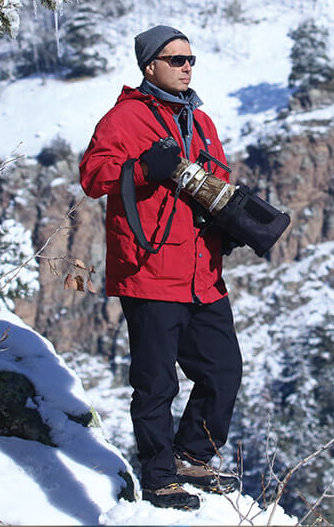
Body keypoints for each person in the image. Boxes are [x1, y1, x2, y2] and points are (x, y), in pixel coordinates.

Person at [78, 25, 243, 511]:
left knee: (223, 371)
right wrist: (145, 168)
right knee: (156, 383)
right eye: (176, 60)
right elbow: (93, 176)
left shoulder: (203, 121)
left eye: (191, 59)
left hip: (202, 272)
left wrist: (234, 218)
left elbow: (219, 180)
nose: (187, 66)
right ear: (150, 66)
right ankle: (159, 477)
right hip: (149, 269)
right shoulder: (126, 118)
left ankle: (193, 455)